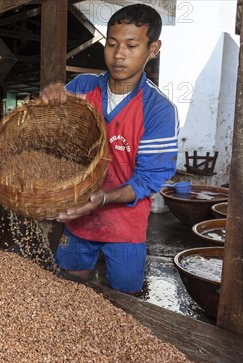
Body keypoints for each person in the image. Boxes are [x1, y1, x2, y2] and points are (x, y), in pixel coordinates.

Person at [39, 4, 178, 293]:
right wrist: (50, 102)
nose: (118, 54)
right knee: (67, 291)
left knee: (125, 303)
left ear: (154, 48)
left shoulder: (158, 110)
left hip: (124, 226)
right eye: (111, 43)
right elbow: (56, 138)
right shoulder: (82, 87)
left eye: (131, 45)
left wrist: (102, 199)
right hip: (79, 219)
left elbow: (149, 179)